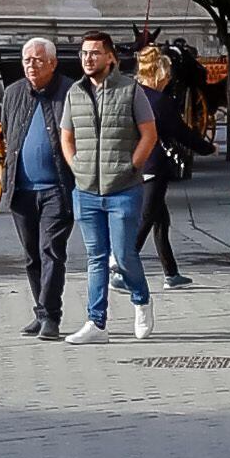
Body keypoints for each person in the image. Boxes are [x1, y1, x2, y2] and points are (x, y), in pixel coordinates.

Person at [62, 28, 155, 341]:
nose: (88, 58)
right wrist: (76, 165)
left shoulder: (130, 90)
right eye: (84, 53)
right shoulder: (74, 92)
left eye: (95, 53)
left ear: (110, 58)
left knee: (125, 254)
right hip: (86, 189)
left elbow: (149, 134)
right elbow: (67, 135)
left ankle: (141, 299)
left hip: (123, 189)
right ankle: (96, 322)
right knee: (95, 257)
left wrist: (132, 166)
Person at [5, 35, 73, 339]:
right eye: (27, 60)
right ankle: (40, 310)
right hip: (21, 190)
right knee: (32, 255)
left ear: (53, 63)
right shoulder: (13, 93)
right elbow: (9, 136)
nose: (31, 66)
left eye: (38, 60)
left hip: (57, 188)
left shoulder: (71, 93)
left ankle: (51, 317)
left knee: (51, 251)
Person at [136, 38, 196, 292]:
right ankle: (121, 263)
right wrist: (203, 147)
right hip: (153, 164)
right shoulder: (158, 101)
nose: (169, 78)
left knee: (161, 219)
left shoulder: (139, 94)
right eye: (167, 74)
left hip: (146, 162)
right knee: (148, 216)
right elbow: (178, 130)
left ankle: (171, 272)